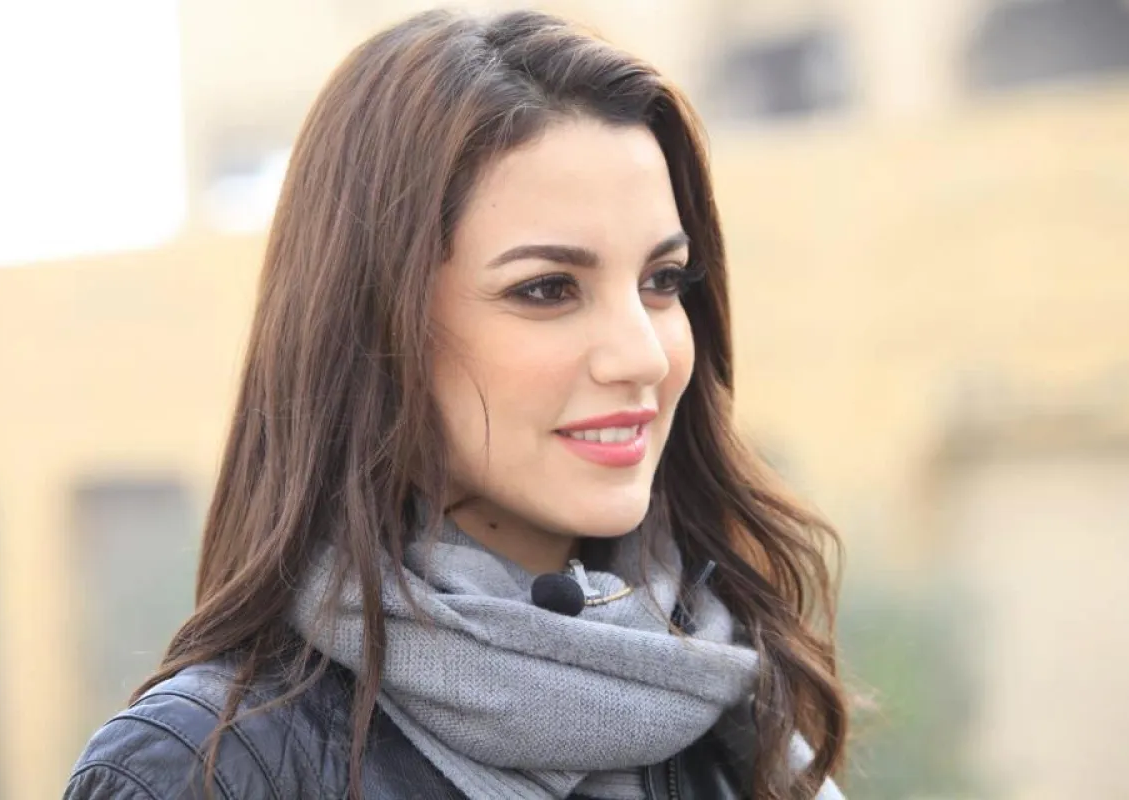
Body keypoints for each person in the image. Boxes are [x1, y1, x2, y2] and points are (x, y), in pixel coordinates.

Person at [65, 8, 848, 800]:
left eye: (662, 281)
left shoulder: (743, 721)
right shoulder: (205, 772)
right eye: (548, 289)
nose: (643, 355)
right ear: (376, 325)